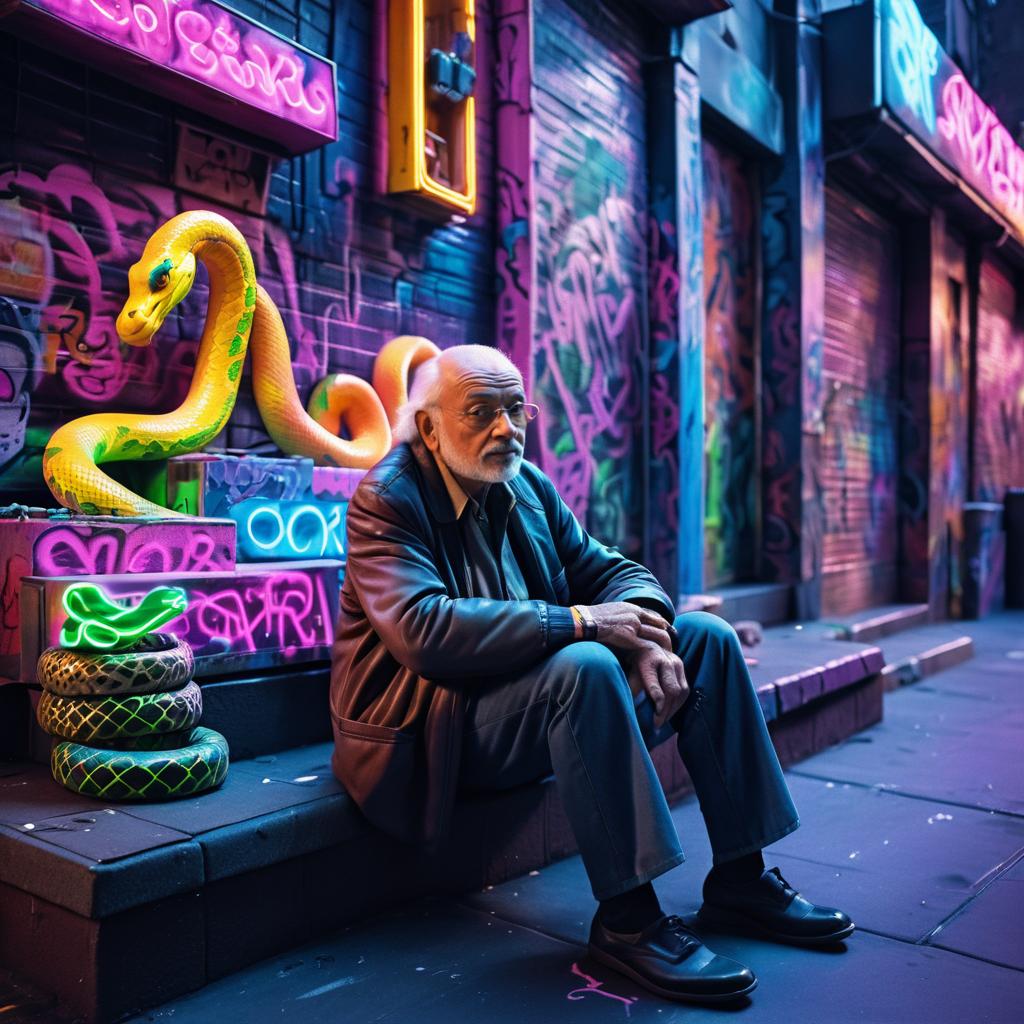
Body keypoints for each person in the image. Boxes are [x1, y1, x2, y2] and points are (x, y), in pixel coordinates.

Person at [329, 344, 854, 1005]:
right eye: (482, 412)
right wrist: (583, 623)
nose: (506, 429)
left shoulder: (524, 485)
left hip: (519, 703)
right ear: (430, 427)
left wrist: (643, 637)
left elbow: (613, 573)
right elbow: (424, 630)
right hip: (432, 733)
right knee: (582, 663)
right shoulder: (386, 499)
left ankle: (741, 883)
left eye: (517, 410)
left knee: (706, 641)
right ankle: (629, 922)